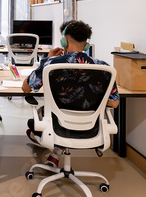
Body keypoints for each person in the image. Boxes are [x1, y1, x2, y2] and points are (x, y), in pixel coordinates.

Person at [22, 20, 120, 168]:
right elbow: (114, 103)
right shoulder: (103, 67)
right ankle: (56, 153)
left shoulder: (51, 64)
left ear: (64, 40)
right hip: (90, 126)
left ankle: (51, 146)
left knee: (33, 122)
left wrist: (47, 59)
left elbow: (26, 88)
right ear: (86, 43)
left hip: (57, 124)